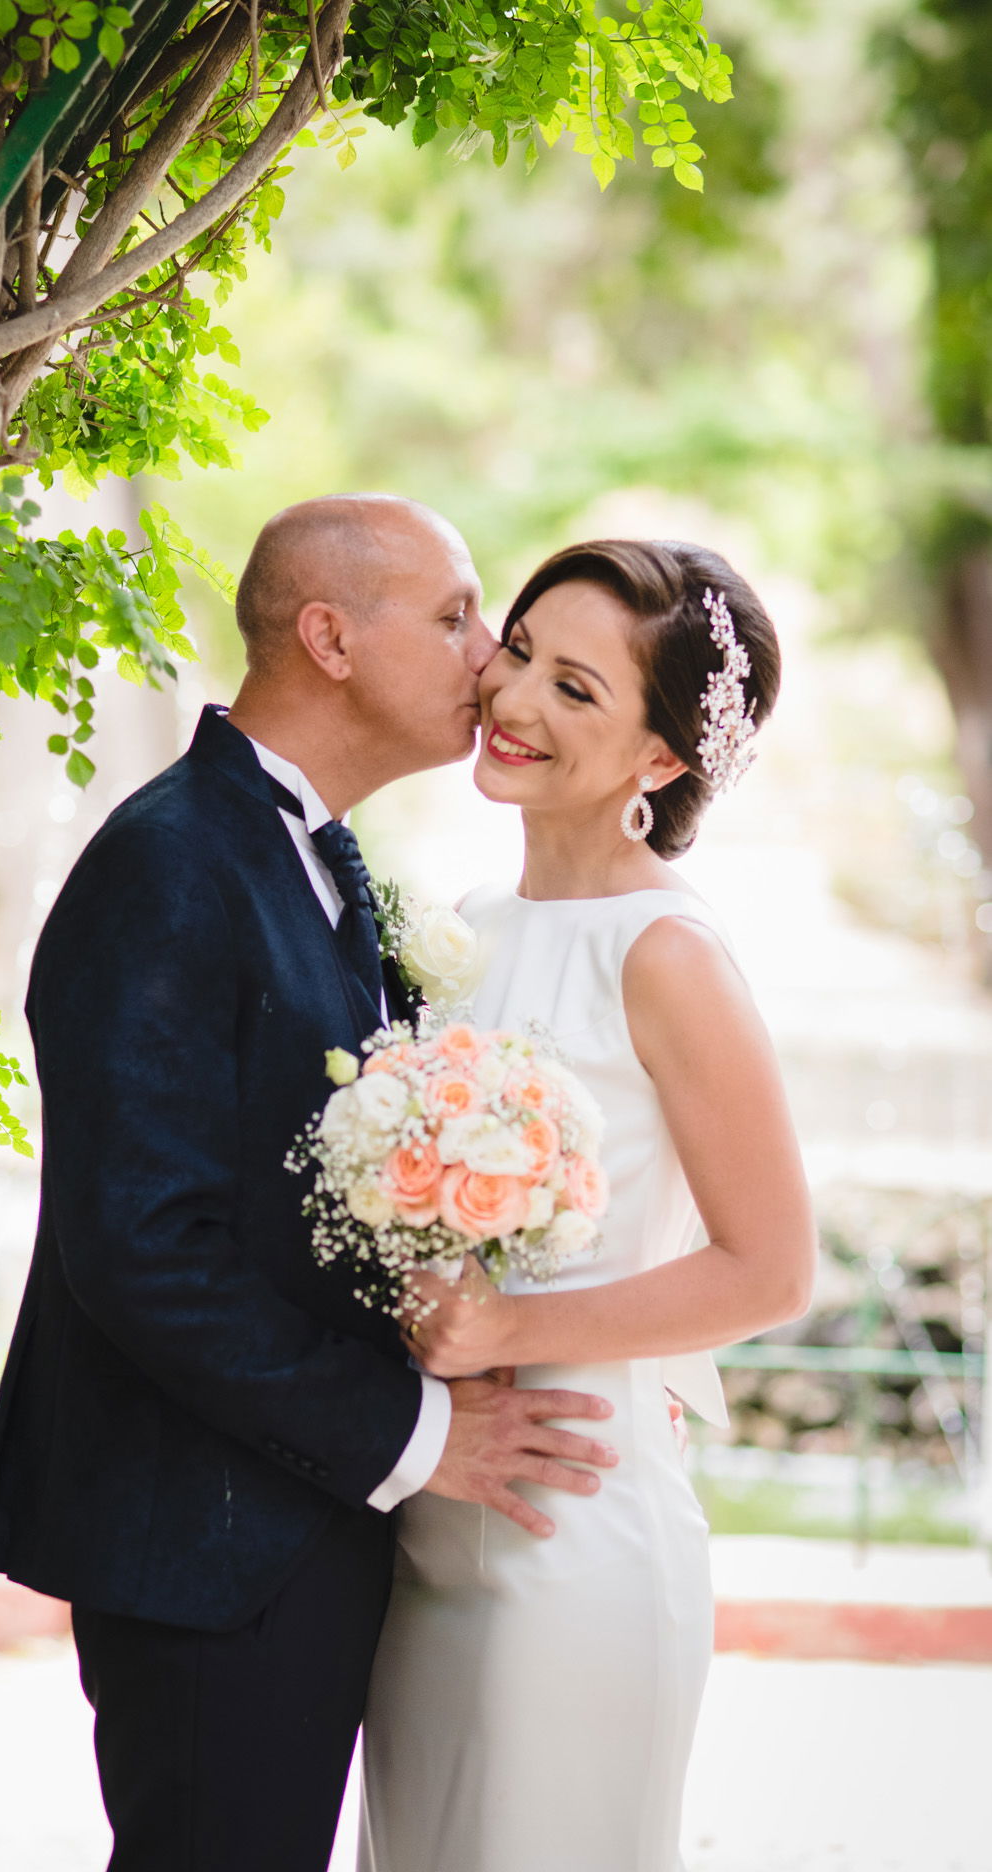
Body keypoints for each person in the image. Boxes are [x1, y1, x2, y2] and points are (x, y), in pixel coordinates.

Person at [0, 495, 617, 1872]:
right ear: (326, 635)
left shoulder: (321, 861)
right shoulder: (170, 862)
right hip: (202, 1541)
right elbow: (143, 1248)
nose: (484, 653)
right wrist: (421, 1436)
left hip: (294, 1520)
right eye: (450, 616)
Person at [359, 537, 817, 1872]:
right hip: (427, 1524)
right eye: (516, 653)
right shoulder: (457, 925)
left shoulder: (666, 955)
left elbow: (771, 1270)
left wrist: (502, 1328)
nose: (511, 704)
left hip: (573, 1526)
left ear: (660, 761)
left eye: (576, 691)